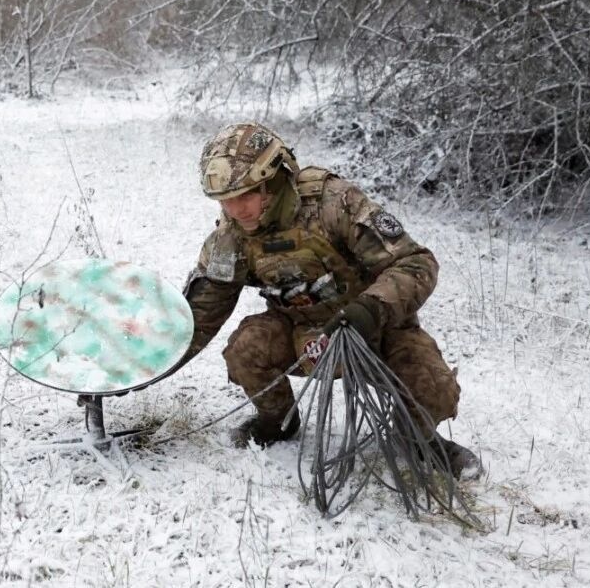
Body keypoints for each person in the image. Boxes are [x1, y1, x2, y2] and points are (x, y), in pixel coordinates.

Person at [179, 122, 481, 478]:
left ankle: (419, 440)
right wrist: (139, 368)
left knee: (433, 387)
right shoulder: (231, 237)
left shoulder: (333, 203)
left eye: (245, 195)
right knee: (246, 348)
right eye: (225, 201)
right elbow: (200, 314)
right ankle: (277, 422)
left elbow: (416, 263)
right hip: (302, 334)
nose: (234, 210)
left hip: (373, 328)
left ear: (273, 181)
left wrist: (369, 310)